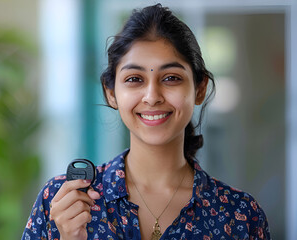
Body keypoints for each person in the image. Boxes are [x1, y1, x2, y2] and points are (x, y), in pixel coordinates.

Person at [22, 3, 270, 240]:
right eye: (134, 79)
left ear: (200, 88)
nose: (152, 97)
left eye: (171, 78)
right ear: (111, 93)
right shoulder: (60, 202)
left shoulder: (241, 217)